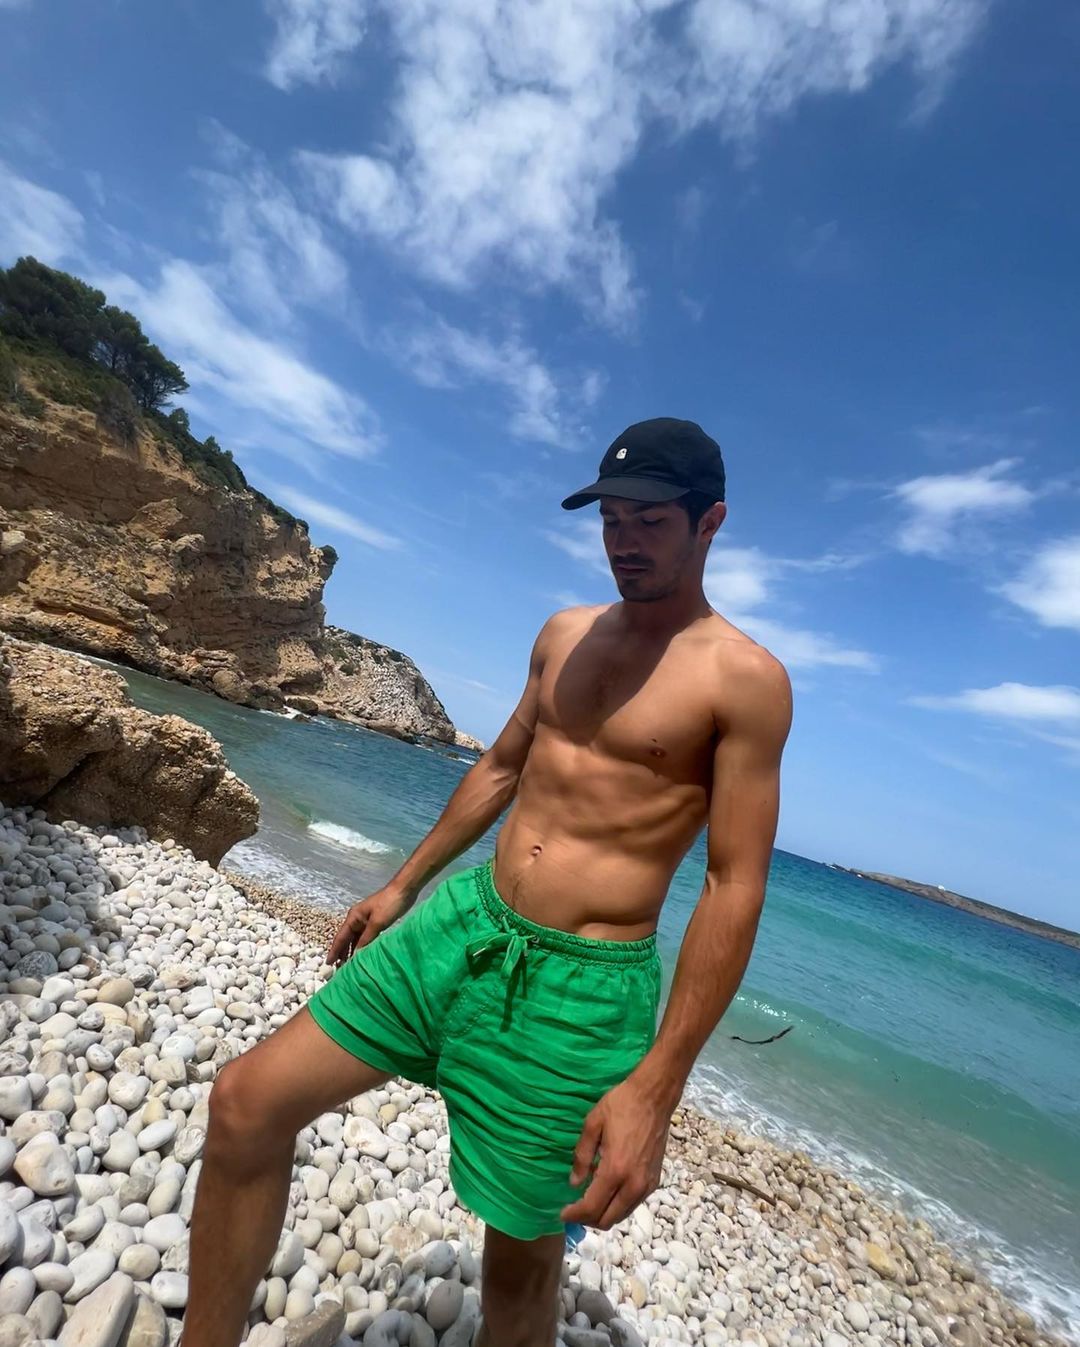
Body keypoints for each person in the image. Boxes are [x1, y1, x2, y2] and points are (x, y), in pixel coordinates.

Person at [184, 417, 793, 1347]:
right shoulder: (565, 634)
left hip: (579, 994)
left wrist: (656, 1087)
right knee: (243, 1103)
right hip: (466, 924)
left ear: (709, 522)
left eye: (650, 522)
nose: (624, 542)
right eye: (611, 520)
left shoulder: (745, 680)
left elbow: (733, 885)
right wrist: (404, 885)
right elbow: (504, 765)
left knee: (518, 1273)